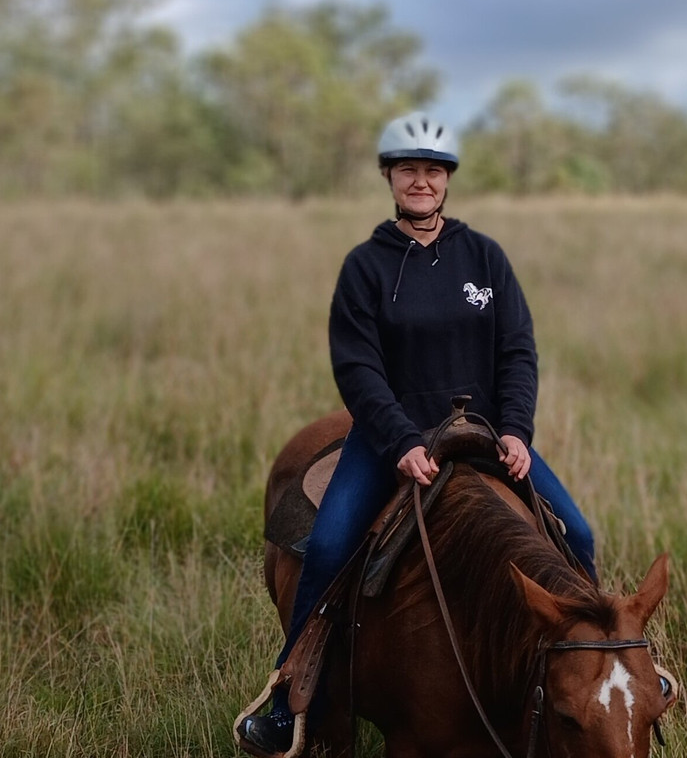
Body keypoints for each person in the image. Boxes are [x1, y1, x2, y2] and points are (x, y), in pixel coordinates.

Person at [239, 112, 597, 755]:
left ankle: (591, 668)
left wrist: (516, 430)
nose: (421, 181)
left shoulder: (484, 257)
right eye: (409, 169)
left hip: (485, 432)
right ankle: (296, 703)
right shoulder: (366, 267)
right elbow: (357, 366)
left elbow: (517, 351)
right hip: (392, 438)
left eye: (433, 170)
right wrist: (401, 440)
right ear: (389, 176)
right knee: (326, 550)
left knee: (580, 533)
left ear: (448, 179)